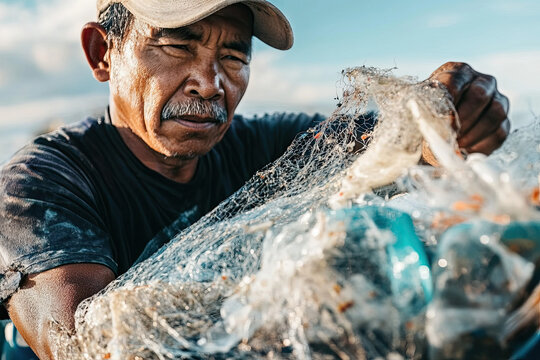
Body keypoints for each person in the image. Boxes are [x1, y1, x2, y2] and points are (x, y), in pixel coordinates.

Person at [0, 0, 510, 359]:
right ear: (102, 53)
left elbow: (399, 140)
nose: (210, 82)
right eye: (178, 46)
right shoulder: (38, 187)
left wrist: (450, 117)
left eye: (234, 56)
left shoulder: (266, 150)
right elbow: (82, 345)